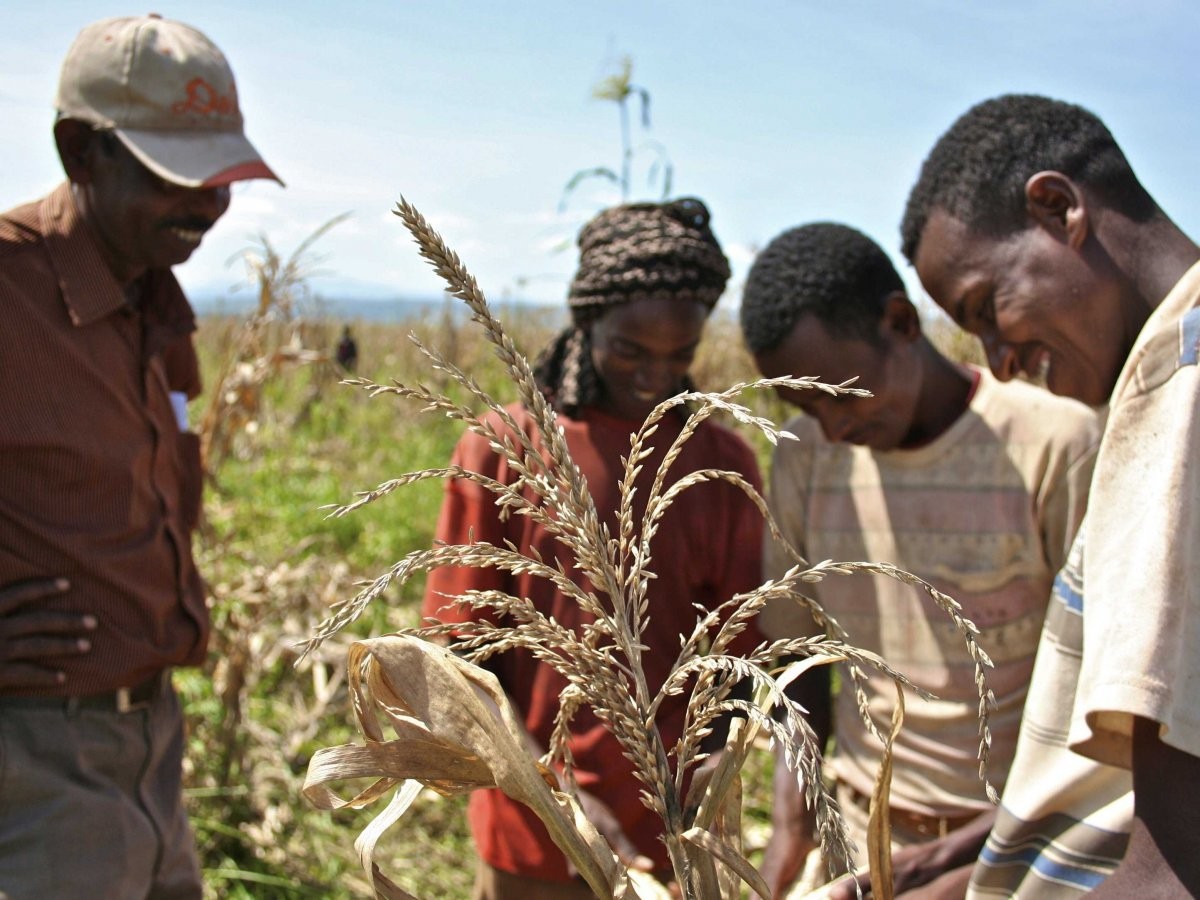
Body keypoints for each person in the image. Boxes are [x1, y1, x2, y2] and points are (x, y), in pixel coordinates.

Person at [0, 15, 279, 899]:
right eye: (175, 177)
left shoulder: (157, 306)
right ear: (83, 152)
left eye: (219, 178)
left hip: (152, 743)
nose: (206, 205)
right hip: (33, 754)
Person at [739, 222, 1100, 898]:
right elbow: (798, 655)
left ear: (900, 323)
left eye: (839, 395)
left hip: (1022, 847)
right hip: (861, 840)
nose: (834, 426)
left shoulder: (1054, 443)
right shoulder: (805, 456)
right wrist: (795, 819)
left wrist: (985, 848)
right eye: (803, 406)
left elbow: (1099, 689)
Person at [901, 93, 1200, 898]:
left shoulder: (1188, 392)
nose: (998, 362)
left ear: (1059, 207)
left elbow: (1176, 872)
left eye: (984, 307)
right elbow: (1133, 788)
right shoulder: (1156, 385)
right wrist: (952, 862)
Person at [423, 198, 765, 899]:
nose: (654, 376)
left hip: (671, 830)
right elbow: (462, 654)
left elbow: (737, 656)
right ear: (586, 325)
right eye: (630, 350)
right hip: (532, 827)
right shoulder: (506, 446)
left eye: (681, 356)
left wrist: (704, 778)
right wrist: (553, 792)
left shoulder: (720, 461)